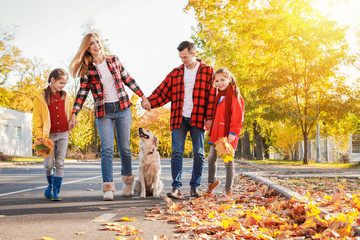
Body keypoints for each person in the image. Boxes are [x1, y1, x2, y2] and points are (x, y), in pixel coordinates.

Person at [68, 32, 150, 201]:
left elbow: (128, 79)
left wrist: (143, 96)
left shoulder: (113, 60)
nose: (97, 46)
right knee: (106, 149)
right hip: (103, 111)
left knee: (125, 147)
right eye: (92, 44)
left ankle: (127, 181)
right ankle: (108, 187)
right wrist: (74, 114)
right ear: (87, 48)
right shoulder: (87, 70)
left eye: (98, 42)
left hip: (122, 108)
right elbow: (82, 94)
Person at [144, 41, 216, 199]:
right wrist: (149, 102)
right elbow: (162, 90)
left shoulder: (207, 71)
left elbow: (212, 96)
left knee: (199, 153)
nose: (182, 60)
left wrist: (209, 118)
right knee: (176, 151)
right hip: (179, 117)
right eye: (180, 57)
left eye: (185, 57)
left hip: (199, 117)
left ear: (193, 54)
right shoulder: (176, 72)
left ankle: (194, 187)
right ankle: (176, 188)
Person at [33, 68, 72, 201]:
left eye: (65, 84)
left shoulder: (65, 95)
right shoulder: (40, 97)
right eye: (61, 83)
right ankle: (50, 185)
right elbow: (37, 118)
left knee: (60, 162)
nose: (63, 86)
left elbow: (69, 113)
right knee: (49, 164)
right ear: (53, 80)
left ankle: (56, 191)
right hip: (47, 136)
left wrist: (73, 121)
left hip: (63, 133)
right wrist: (38, 134)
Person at [206, 68, 245, 198]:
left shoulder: (234, 95)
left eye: (222, 80)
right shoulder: (218, 95)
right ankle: (211, 183)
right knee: (211, 158)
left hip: (227, 135)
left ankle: (228, 191)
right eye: (217, 81)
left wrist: (233, 132)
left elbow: (238, 116)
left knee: (228, 162)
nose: (219, 83)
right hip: (216, 133)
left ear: (229, 79)